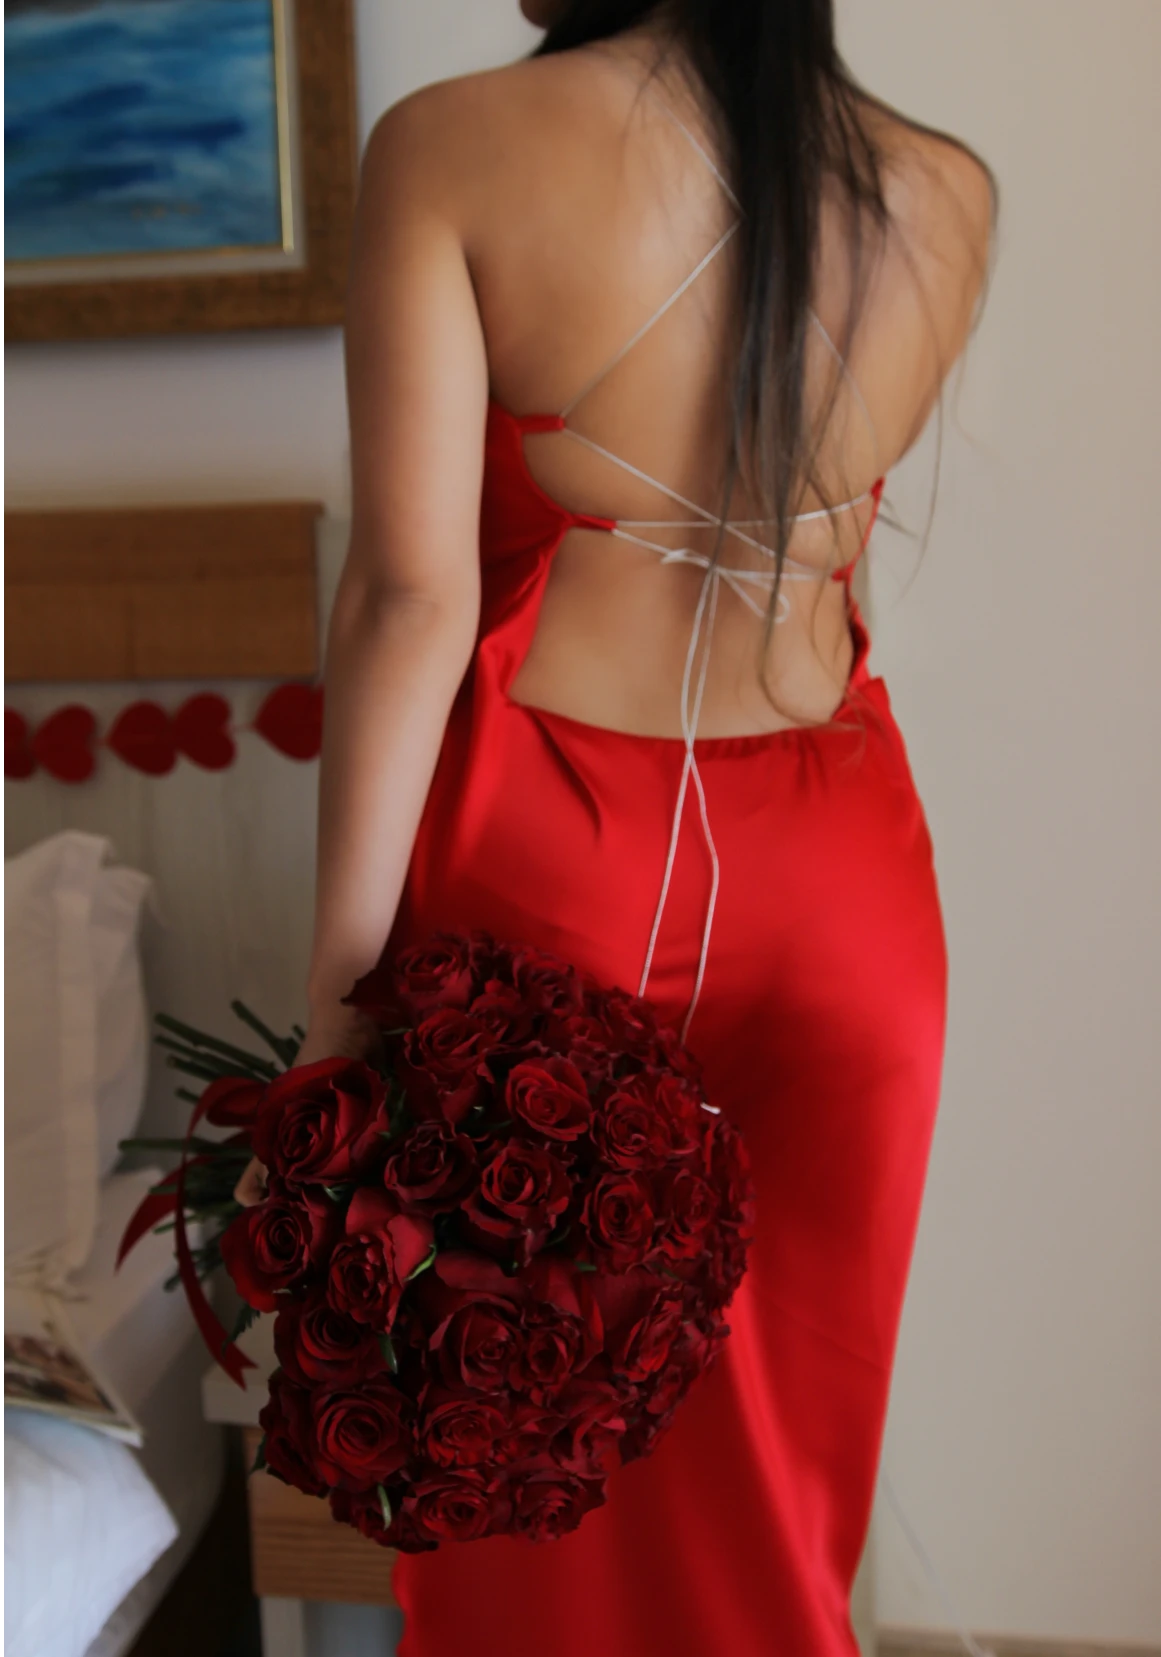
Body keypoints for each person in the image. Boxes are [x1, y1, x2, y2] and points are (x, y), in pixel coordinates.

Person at [238, 1, 997, 1650]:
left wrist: (335, 1009)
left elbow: (408, 600)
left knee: (519, 1467)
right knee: (778, 1495)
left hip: (555, 868)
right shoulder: (944, 191)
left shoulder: (451, 146)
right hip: (844, 890)